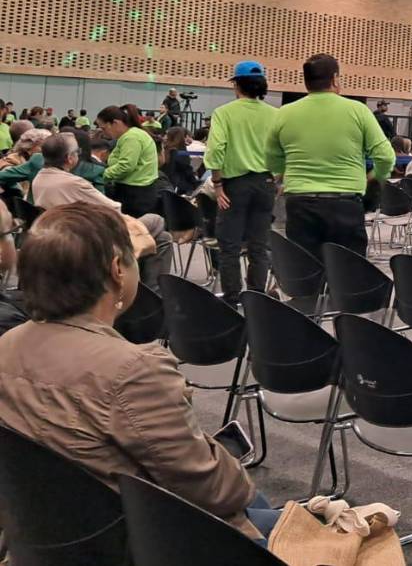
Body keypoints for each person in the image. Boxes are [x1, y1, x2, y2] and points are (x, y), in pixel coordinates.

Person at [0, 203, 274, 539]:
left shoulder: (8, 346)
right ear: (118, 269)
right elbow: (218, 492)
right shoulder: (134, 370)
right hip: (152, 542)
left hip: (52, 540)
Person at [266, 53, 393, 258]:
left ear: (306, 82)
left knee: (306, 270)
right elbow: (386, 156)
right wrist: (376, 176)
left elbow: (271, 157)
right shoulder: (358, 111)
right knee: (347, 275)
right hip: (345, 204)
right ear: (335, 78)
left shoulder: (284, 113)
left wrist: (282, 174)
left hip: (300, 204)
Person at [30, 134, 172, 288]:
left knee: (163, 238)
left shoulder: (40, 179)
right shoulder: (74, 183)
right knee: (156, 220)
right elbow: (114, 209)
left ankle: (149, 293)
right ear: (70, 158)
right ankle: (151, 294)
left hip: (63, 235)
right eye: (78, 152)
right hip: (90, 240)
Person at [204, 61, 278, 309]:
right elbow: (284, 151)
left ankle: (233, 299)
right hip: (265, 183)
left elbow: (215, 150)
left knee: (230, 246)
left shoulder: (224, 113)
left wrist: (217, 184)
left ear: (236, 85)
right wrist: (276, 179)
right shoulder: (275, 114)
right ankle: (256, 297)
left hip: (234, 186)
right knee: (259, 245)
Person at [96, 105, 161, 217]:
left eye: (104, 128)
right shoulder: (131, 135)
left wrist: (99, 176)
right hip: (136, 191)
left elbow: (126, 166)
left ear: (115, 123)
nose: (103, 133)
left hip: (135, 194)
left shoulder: (131, 137)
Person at [161, 126, 199, 195]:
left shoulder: (164, 150)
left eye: (167, 135)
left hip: (165, 185)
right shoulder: (181, 153)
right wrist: (196, 184)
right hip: (178, 187)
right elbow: (188, 171)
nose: (164, 137)